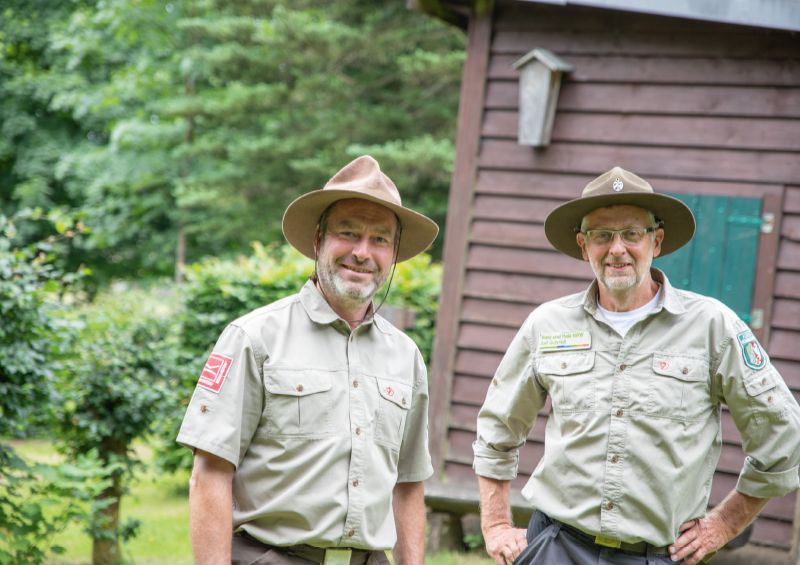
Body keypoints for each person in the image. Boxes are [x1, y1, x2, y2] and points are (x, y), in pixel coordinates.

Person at [473, 166, 800, 565]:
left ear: (656, 241)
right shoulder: (547, 325)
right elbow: (497, 430)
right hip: (555, 547)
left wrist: (726, 524)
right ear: (583, 245)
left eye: (632, 233)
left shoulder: (713, 327)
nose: (617, 249)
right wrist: (495, 525)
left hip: (657, 556)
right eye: (602, 236)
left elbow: (783, 434)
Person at [177, 155, 439, 565]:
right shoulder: (254, 338)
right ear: (318, 239)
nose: (362, 252)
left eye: (380, 239)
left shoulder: (405, 357)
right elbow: (210, 473)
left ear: (394, 253)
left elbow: (408, 485)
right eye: (348, 233)